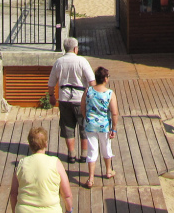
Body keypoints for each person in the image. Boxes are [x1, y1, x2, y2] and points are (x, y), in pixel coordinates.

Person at [47, 36, 94, 164]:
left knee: (68, 126)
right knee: (83, 126)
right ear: (75, 48)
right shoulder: (82, 61)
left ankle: (71, 154)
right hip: (80, 99)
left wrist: (52, 96)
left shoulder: (59, 62)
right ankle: (84, 154)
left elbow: (51, 83)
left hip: (64, 98)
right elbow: (92, 81)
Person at [9, 127, 73, 213]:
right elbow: (67, 195)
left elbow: (13, 194)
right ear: (46, 144)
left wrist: (14, 211)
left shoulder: (21, 164)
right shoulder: (55, 163)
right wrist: (69, 210)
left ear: (30, 145)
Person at [80, 66, 118, 188]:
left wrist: (87, 117)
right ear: (105, 79)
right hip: (104, 126)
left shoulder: (88, 91)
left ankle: (90, 178)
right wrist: (114, 128)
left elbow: (82, 106)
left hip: (90, 124)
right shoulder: (109, 93)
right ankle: (108, 170)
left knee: (92, 150)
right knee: (106, 147)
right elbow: (114, 112)